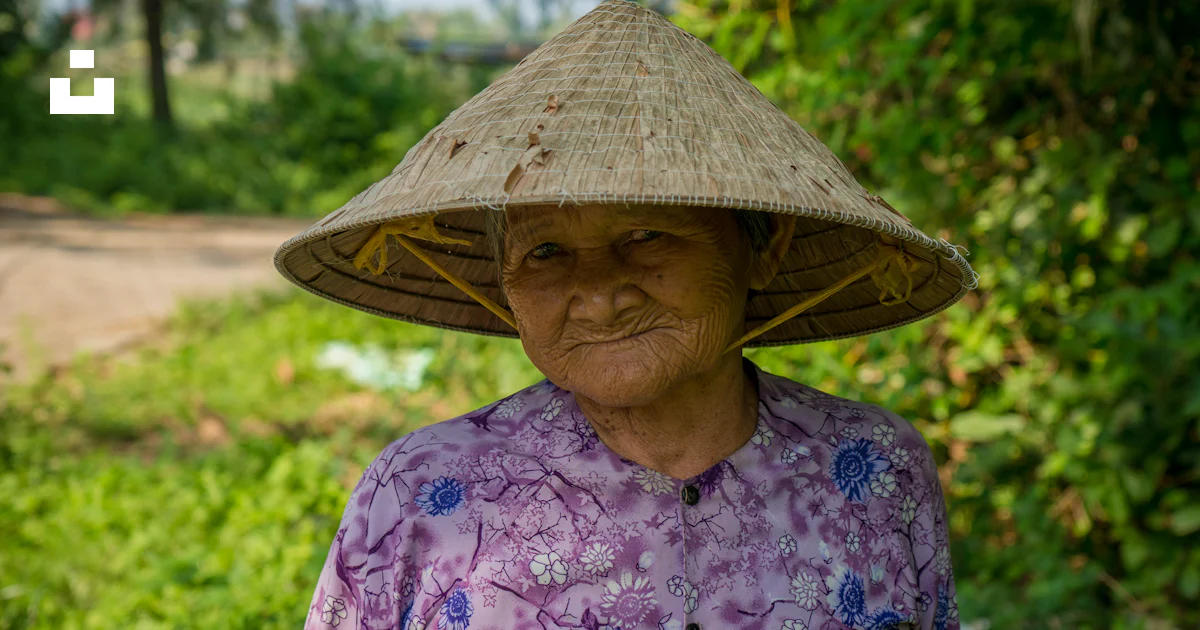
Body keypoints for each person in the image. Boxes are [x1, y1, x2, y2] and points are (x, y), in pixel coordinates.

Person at [273, 2, 976, 629]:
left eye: (645, 236)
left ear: (765, 248)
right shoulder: (421, 492)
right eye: (545, 251)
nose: (602, 294)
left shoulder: (876, 471)